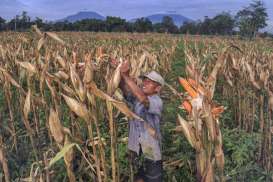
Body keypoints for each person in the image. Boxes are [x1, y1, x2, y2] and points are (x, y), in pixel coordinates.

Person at [118, 60, 164, 182]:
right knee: (138, 177)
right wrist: (118, 72)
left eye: (149, 82)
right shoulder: (136, 99)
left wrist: (126, 76)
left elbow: (143, 99)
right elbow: (125, 89)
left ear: (157, 88)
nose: (144, 83)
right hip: (135, 148)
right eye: (144, 80)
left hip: (150, 150)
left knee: (152, 178)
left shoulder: (157, 101)